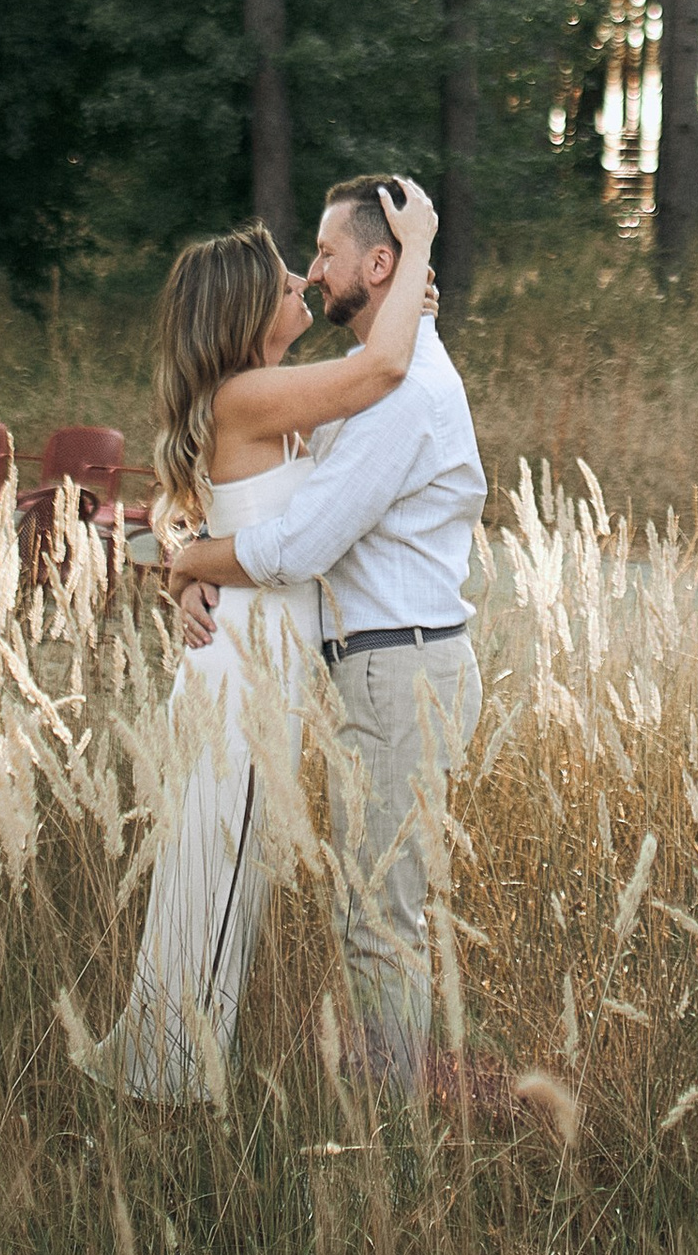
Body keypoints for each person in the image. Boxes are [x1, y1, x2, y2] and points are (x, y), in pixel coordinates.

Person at [77, 178, 439, 1101]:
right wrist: (420, 249)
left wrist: (186, 560)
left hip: (254, 667)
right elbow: (381, 374)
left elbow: (204, 516)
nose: (303, 281)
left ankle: (172, 1074)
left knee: (226, 880)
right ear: (246, 313)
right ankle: (169, 1088)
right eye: (285, 277)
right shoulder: (251, 396)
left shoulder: (255, 400)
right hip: (237, 677)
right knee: (216, 879)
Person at [163, 171, 487, 1090]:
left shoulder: (401, 386)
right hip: (356, 672)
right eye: (298, 263)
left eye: (325, 255)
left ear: (377, 264)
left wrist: (192, 561)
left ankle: (398, 1140)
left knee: (378, 920)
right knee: (336, 906)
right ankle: (199, 1062)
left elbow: (300, 540)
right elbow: (232, 492)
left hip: (399, 670)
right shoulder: (347, 383)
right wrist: (186, 550)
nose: (309, 274)